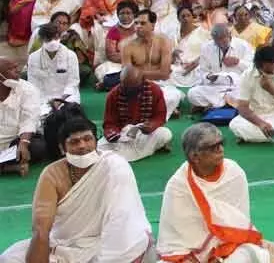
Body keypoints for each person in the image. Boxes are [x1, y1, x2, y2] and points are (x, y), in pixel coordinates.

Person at [2, 115, 153, 262]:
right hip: (63, 243)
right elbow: (41, 228)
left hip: (104, 243)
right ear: (62, 148)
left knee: (130, 247)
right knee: (10, 258)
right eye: (74, 142)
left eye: (87, 139)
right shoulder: (52, 174)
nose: (82, 146)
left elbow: (122, 220)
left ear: (96, 142)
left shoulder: (114, 166)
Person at [157, 123, 274, 262]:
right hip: (191, 255)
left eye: (221, 143)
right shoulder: (178, 185)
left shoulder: (234, 172)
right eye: (213, 147)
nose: (221, 149)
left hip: (228, 248)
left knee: (252, 253)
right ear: (195, 156)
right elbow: (175, 239)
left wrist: (219, 254)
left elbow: (238, 223)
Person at [97, 64, 173, 161]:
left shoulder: (154, 90)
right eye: (126, 87)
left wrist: (151, 125)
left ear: (142, 81)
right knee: (99, 146)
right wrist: (114, 134)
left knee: (165, 134)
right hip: (122, 135)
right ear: (121, 82)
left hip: (144, 134)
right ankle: (147, 149)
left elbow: (160, 117)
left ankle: (122, 155)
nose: (129, 90)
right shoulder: (113, 94)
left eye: (133, 88)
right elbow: (109, 122)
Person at [122, 8, 183, 118]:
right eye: (136, 23)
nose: (138, 26)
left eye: (143, 23)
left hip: (161, 84)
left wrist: (138, 74)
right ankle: (162, 110)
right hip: (137, 86)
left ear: (153, 25)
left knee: (174, 95)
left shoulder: (163, 42)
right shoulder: (127, 46)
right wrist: (153, 73)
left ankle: (156, 112)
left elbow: (164, 74)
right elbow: (127, 76)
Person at [187, 24, 254, 111]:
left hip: (237, 86)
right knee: (192, 94)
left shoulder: (243, 45)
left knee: (249, 94)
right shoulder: (207, 47)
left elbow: (252, 68)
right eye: (217, 41)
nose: (220, 43)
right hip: (215, 87)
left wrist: (238, 62)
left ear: (229, 35)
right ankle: (226, 104)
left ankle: (215, 105)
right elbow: (202, 71)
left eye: (223, 39)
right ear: (213, 39)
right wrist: (209, 77)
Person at [0, 57, 45, 177]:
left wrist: (24, 142)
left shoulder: (28, 89)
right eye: (11, 69)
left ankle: (6, 165)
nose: (18, 70)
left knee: (37, 147)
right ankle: (9, 168)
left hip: (16, 141)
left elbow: (29, 119)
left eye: (16, 66)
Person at [26, 23, 81, 115]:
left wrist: (60, 100)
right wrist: (47, 102)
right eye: (48, 39)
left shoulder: (70, 55)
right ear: (41, 40)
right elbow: (34, 85)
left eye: (55, 38)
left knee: (69, 113)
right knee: (38, 116)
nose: (52, 42)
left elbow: (73, 83)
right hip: (42, 98)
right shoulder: (33, 57)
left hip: (66, 97)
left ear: (60, 37)